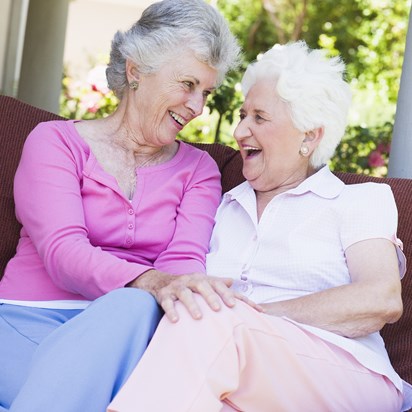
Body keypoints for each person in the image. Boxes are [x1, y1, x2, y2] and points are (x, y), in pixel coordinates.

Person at [108, 41, 412, 412]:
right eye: (242, 115)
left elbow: (380, 298)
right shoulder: (221, 206)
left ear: (309, 135)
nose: (239, 131)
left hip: (345, 372)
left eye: (259, 118)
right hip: (237, 370)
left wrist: (251, 316)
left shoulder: (357, 201)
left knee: (208, 323)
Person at [0, 1, 248, 411]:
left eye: (206, 92)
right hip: (30, 322)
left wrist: (154, 290)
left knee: (132, 307)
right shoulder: (56, 143)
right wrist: (150, 282)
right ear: (136, 71)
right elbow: (63, 252)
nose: (197, 106)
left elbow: (184, 263)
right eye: (187, 84)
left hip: (131, 337)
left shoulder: (199, 170)